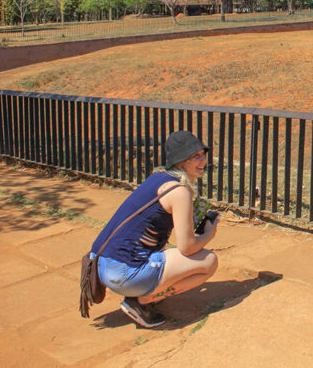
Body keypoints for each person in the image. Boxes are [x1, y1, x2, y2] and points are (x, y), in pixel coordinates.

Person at [89, 130, 219, 328]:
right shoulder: (179, 191)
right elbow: (187, 247)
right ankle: (142, 301)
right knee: (209, 262)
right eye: (196, 157)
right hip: (123, 274)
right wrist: (209, 233)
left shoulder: (158, 178)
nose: (203, 161)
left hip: (101, 264)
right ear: (181, 161)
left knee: (167, 253)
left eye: (203, 155)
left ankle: (144, 291)